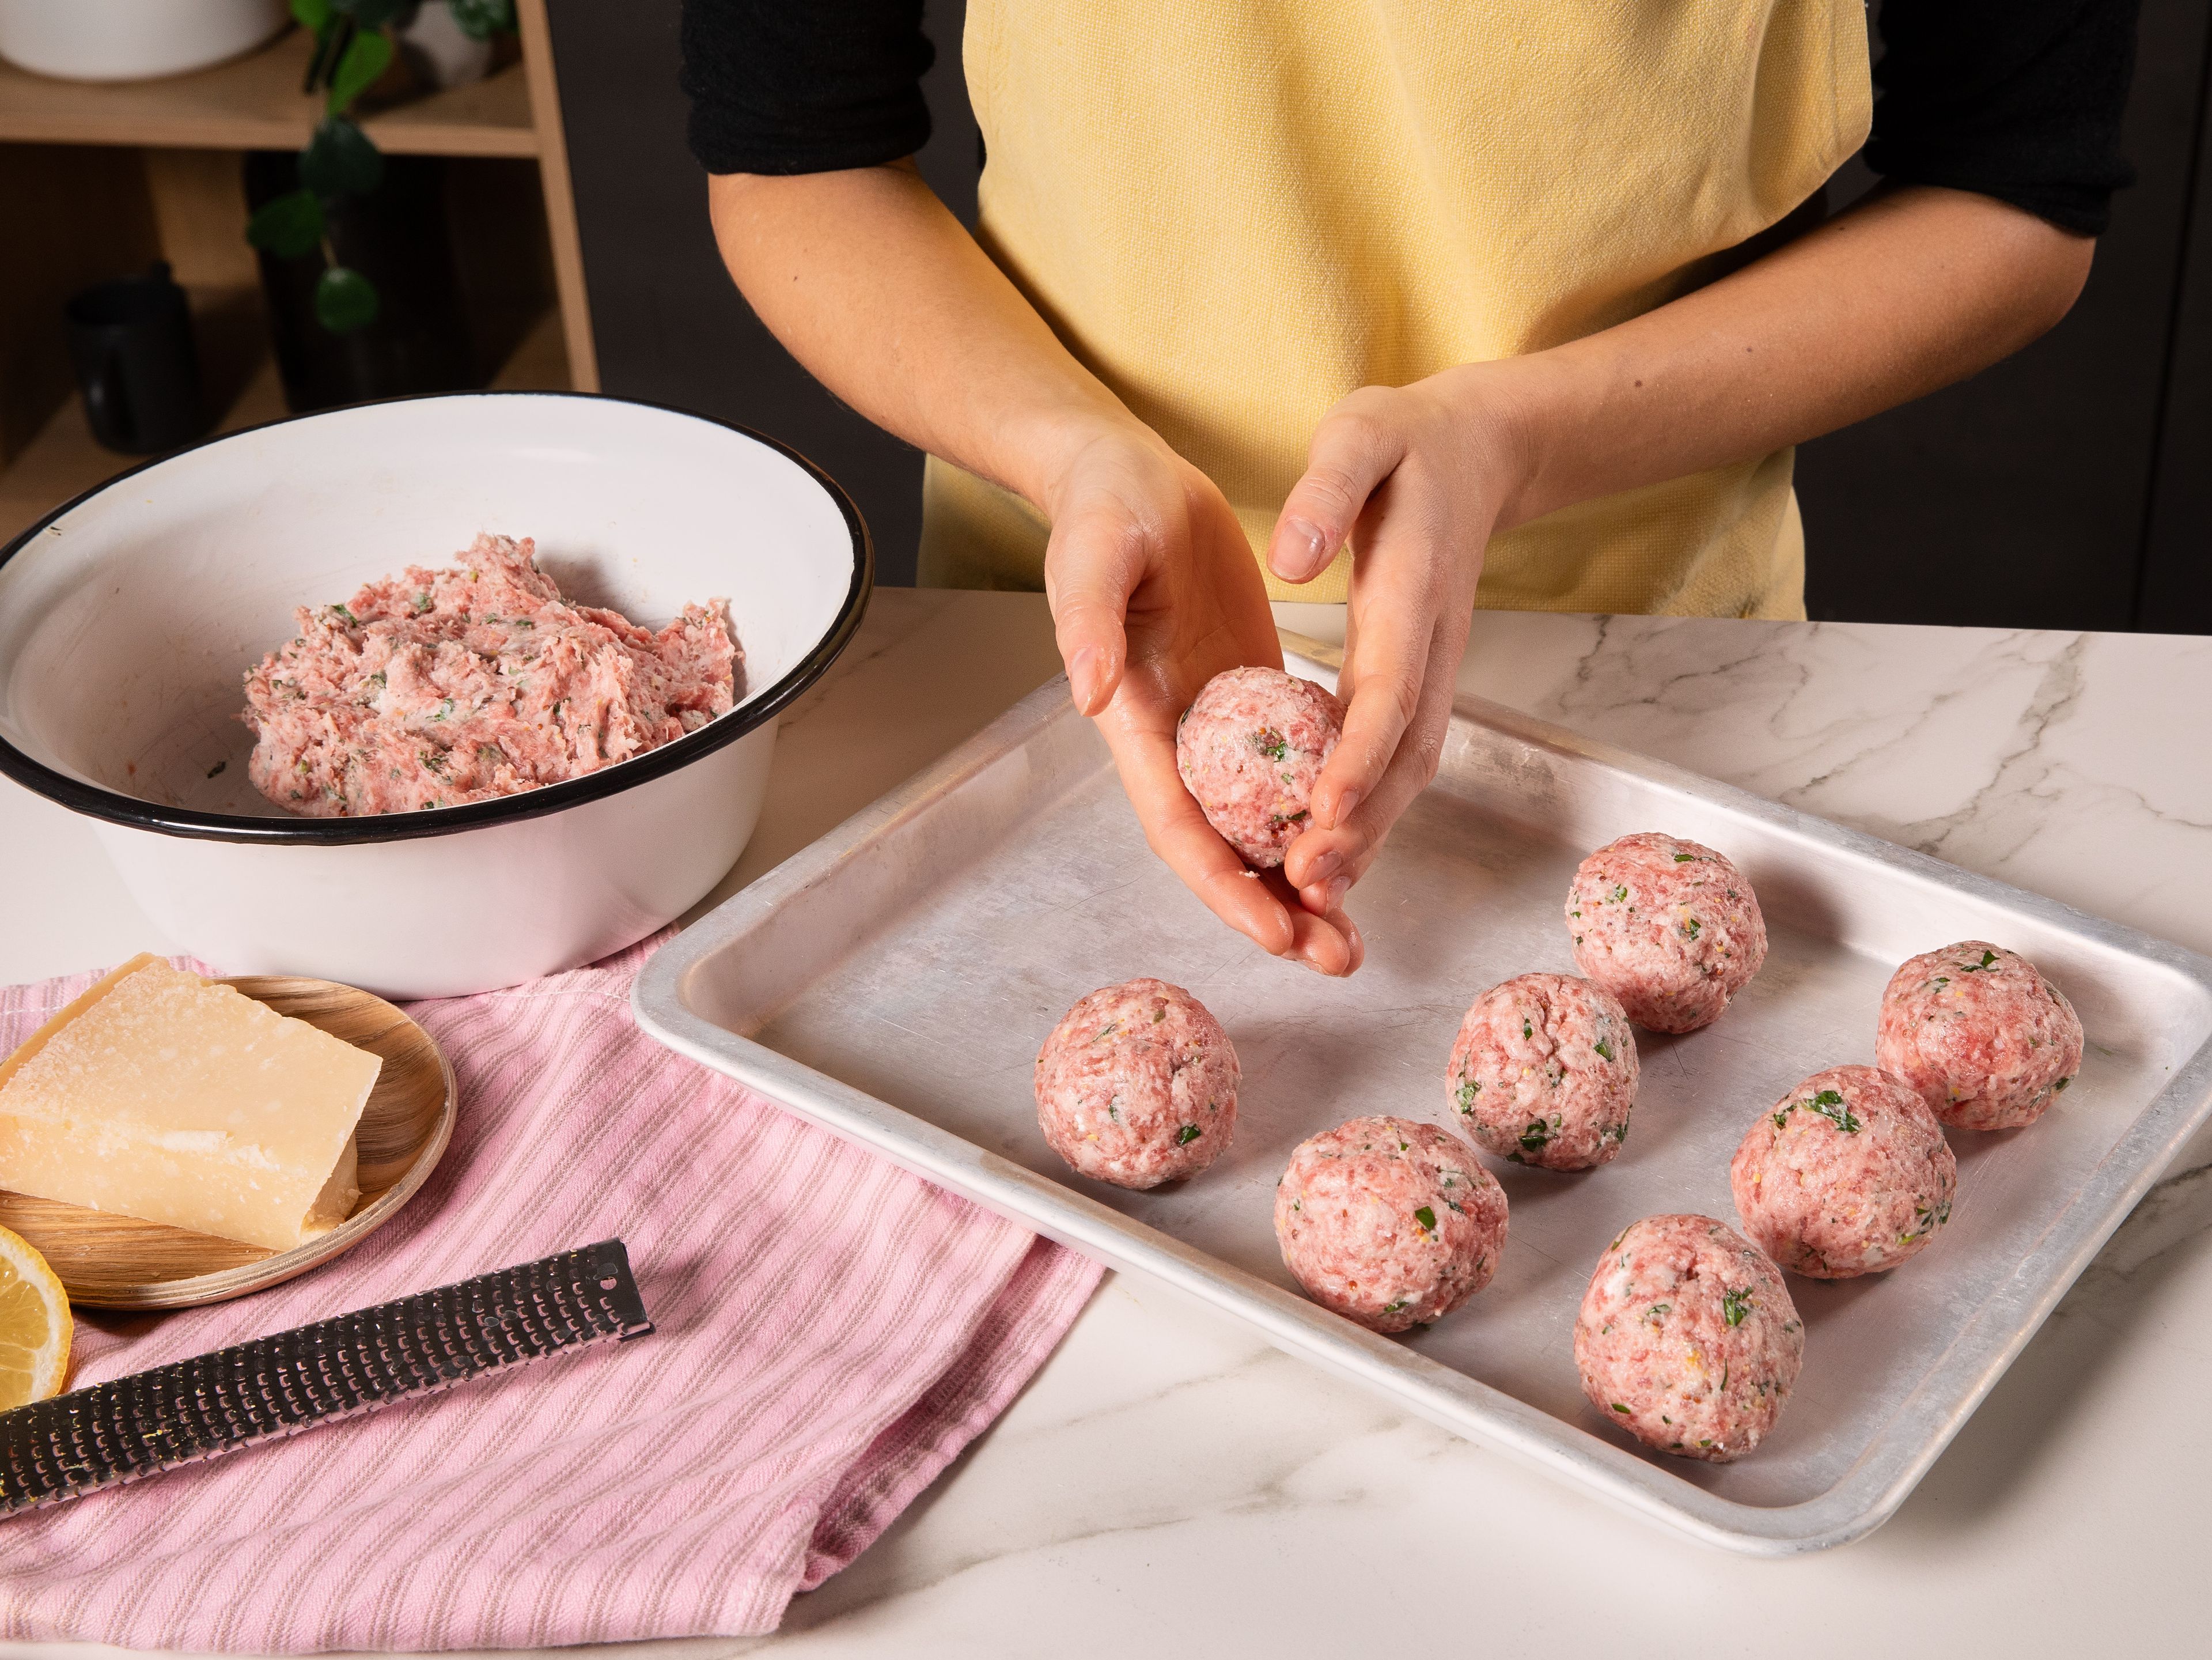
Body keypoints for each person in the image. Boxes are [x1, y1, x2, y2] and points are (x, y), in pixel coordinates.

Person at [680, 1, 2137, 976]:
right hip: (1073, 650)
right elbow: (791, 148)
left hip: (1649, 665)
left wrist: (1516, 439)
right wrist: (1069, 451)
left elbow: (2016, 191)